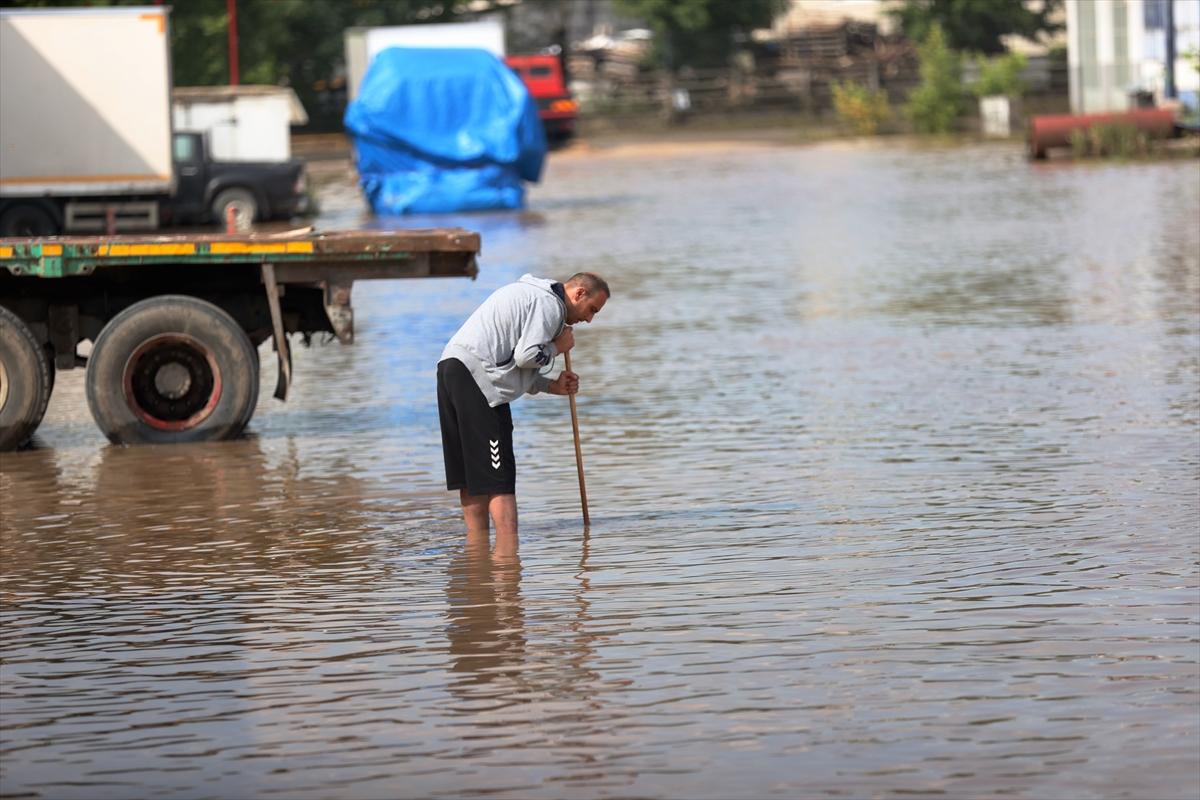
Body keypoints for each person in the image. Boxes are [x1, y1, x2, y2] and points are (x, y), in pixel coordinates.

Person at [437, 272, 609, 546]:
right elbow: (527, 355)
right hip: (478, 382)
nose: (589, 319)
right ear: (578, 294)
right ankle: (507, 567)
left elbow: (506, 359)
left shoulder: (532, 294)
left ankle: (477, 557)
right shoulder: (549, 304)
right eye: (591, 310)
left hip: (451, 368)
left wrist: (550, 385)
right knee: (499, 479)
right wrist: (557, 346)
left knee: (470, 478)